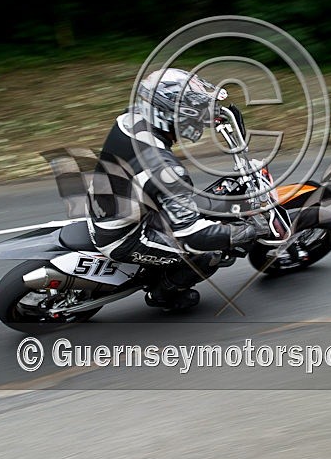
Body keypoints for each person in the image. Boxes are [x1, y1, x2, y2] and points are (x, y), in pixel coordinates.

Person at [87, 68, 268, 311]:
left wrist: (216, 115)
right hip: (124, 236)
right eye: (194, 110)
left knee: (199, 205)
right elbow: (192, 235)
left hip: (111, 201)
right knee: (207, 253)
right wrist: (247, 231)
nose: (199, 116)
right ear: (172, 114)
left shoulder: (129, 119)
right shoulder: (166, 170)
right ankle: (163, 295)